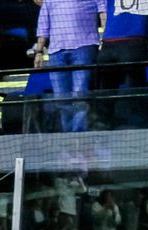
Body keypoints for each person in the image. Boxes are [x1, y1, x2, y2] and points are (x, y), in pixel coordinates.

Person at [34, 0, 105, 133]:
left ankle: (78, 135)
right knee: (61, 98)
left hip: (84, 46)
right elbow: (43, 26)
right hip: (56, 52)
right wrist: (38, 51)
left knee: (80, 95)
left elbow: (103, 14)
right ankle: (69, 136)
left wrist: (104, 39)